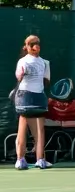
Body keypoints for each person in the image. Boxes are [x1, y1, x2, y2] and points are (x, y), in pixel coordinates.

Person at [13, 35, 50, 170]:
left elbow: (19, 77)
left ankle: (35, 160)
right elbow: (46, 81)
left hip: (33, 97)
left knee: (35, 128)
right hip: (28, 96)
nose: (36, 46)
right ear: (27, 47)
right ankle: (26, 159)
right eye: (33, 44)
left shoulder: (41, 62)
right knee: (29, 128)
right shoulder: (28, 62)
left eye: (37, 43)